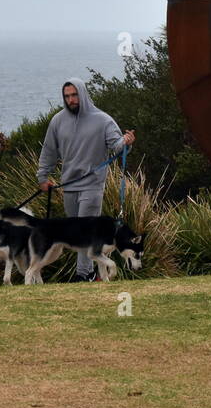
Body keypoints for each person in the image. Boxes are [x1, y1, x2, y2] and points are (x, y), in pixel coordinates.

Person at [36, 76, 136, 281]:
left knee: (83, 230)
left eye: (74, 95)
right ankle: (91, 274)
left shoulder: (103, 120)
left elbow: (116, 145)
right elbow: (48, 151)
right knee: (76, 234)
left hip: (92, 185)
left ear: (82, 94)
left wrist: (126, 142)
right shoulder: (57, 121)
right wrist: (42, 177)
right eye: (67, 96)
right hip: (69, 186)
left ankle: (83, 274)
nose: (71, 100)